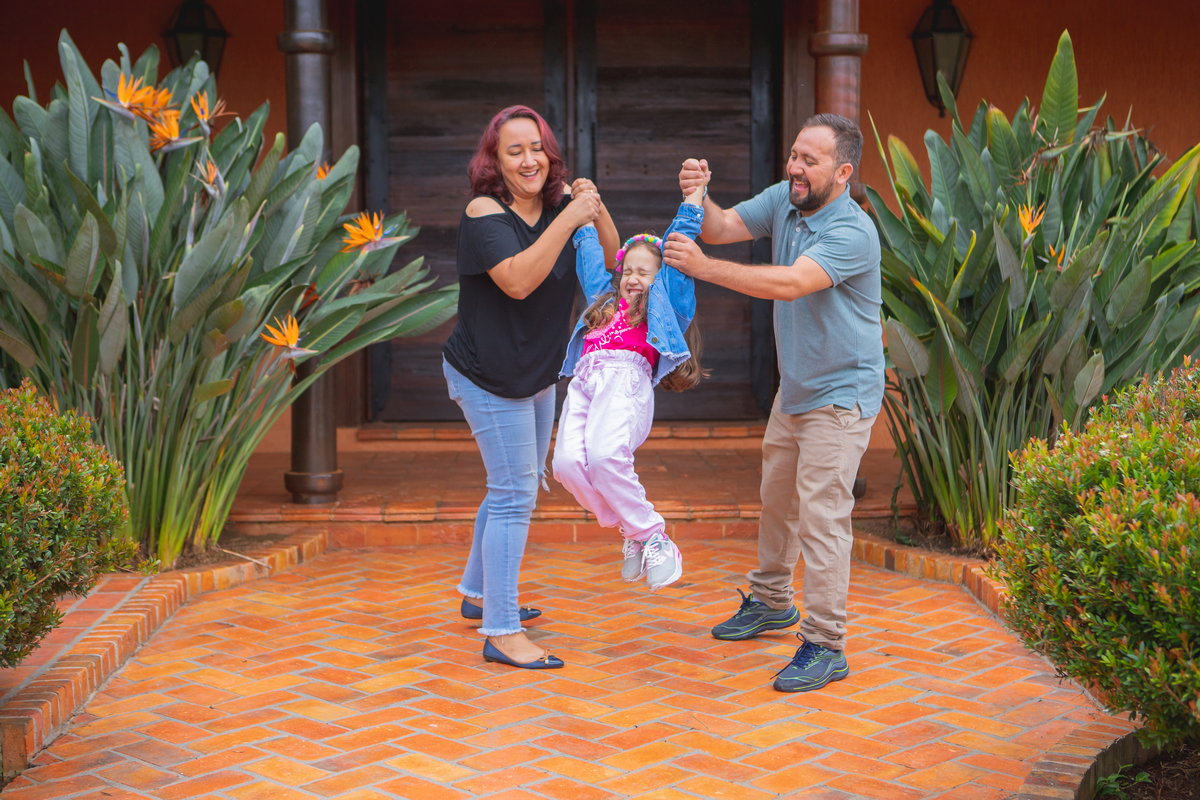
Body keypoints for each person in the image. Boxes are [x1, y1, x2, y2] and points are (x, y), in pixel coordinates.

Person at [663, 113, 884, 693]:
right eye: (794, 155)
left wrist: (704, 270)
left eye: (810, 160)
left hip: (840, 394)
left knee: (822, 517)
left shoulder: (853, 231)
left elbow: (790, 283)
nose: (795, 167)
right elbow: (722, 227)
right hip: (797, 387)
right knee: (777, 500)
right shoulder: (787, 199)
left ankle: (826, 643)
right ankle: (771, 601)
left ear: (843, 172)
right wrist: (699, 194)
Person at [442, 105, 619, 670]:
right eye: (514, 150)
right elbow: (517, 281)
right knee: (515, 493)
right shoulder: (483, 212)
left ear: (550, 154)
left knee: (511, 486)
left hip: (536, 372)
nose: (528, 160)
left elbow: (610, 257)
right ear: (494, 160)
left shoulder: (560, 206)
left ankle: (478, 593)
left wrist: (592, 206)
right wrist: (568, 218)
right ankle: (501, 630)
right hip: (488, 375)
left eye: (537, 148)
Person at [552, 179, 709, 591]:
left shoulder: (663, 308)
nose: (633, 278)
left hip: (625, 384)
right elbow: (589, 256)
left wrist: (693, 200)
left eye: (645, 272)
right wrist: (580, 207)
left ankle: (654, 535)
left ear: (660, 278)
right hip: (585, 382)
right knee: (565, 465)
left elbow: (678, 251)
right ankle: (633, 529)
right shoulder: (603, 302)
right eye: (628, 271)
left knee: (606, 457)